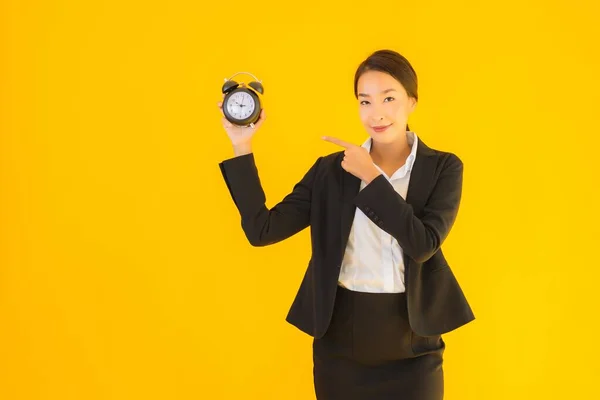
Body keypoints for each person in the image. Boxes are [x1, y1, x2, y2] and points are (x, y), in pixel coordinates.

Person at [217, 49, 475, 400]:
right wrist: (241, 145)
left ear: (412, 101)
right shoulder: (330, 171)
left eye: (389, 98)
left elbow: (423, 244)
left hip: (413, 348)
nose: (377, 113)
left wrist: (372, 177)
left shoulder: (443, 168)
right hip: (341, 347)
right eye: (365, 101)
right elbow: (262, 231)